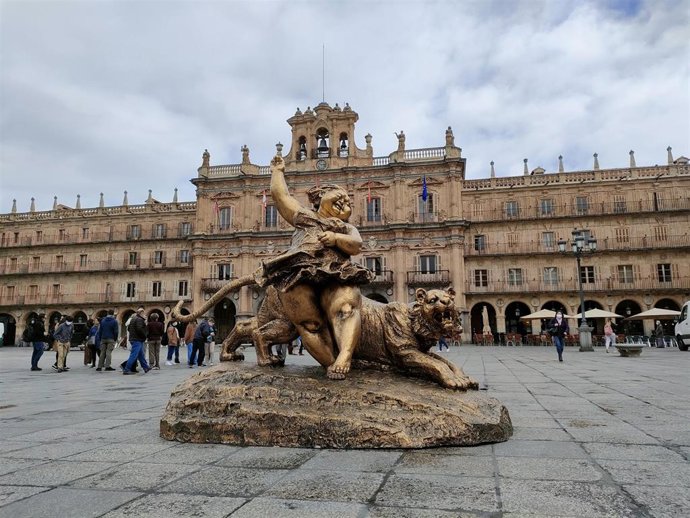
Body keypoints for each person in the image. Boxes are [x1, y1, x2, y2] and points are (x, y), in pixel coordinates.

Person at [263, 155, 372, 379]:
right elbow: (281, 197)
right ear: (321, 196)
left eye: (349, 202)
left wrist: (335, 238)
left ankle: (345, 355)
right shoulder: (304, 217)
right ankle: (330, 362)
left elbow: (356, 244)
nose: (345, 202)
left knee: (347, 307)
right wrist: (277, 172)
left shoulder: (344, 227)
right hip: (300, 274)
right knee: (308, 323)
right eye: (340, 196)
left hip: (336, 274)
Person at [123, 307, 150, 375]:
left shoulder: (133, 319)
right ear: (141, 313)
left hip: (134, 339)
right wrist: (145, 335)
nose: (144, 314)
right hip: (137, 339)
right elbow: (140, 329)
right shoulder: (139, 320)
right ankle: (126, 369)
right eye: (143, 313)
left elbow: (129, 329)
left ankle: (146, 367)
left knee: (141, 355)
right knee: (133, 355)